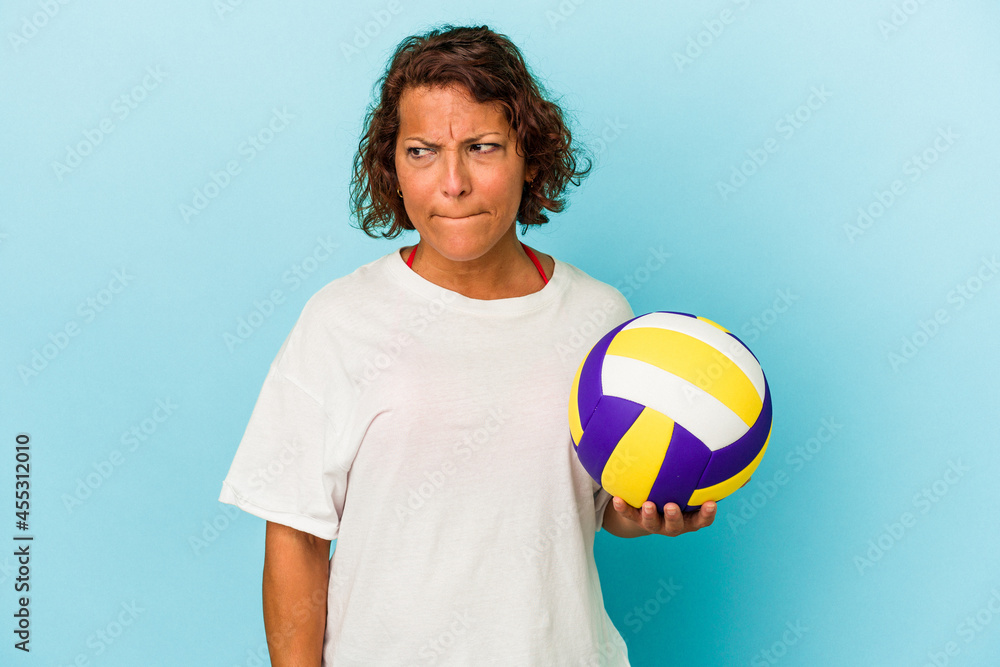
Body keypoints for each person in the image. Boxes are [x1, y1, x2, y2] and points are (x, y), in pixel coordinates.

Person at [219, 24, 717, 666]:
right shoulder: (341, 320)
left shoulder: (599, 318)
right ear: (393, 165)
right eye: (423, 151)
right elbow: (295, 535)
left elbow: (595, 504)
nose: (451, 183)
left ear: (529, 156)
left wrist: (647, 509)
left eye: (482, 147)